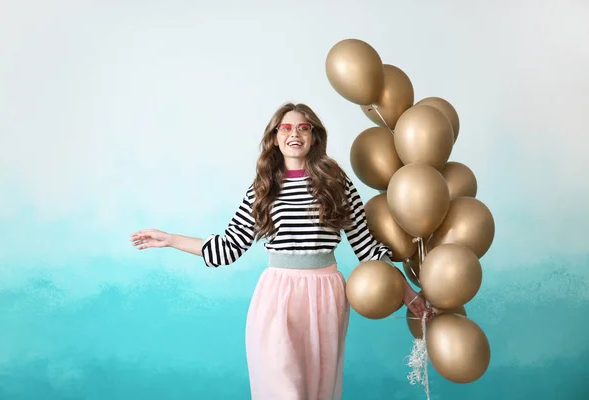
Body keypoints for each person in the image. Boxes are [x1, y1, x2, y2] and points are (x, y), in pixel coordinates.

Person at [130, 103, 431, 400]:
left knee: (318, 391)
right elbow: (227, 248)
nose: (294, 134)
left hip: (325, 295)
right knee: (283, 391)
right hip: (277, 295)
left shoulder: (336, 184)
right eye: (285, 128)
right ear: (275, 137)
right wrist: (170, 239)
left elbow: (366, 248)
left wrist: (407, 292)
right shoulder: (262, 188)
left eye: (303, 127)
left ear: (314, 137)